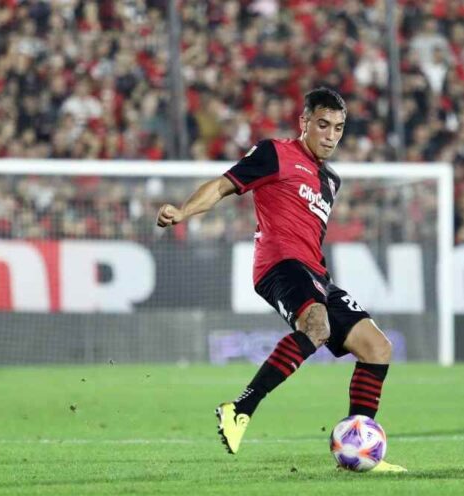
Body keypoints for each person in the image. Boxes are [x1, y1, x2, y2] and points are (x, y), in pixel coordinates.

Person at [156, 87, 406, 472]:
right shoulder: (275, 153)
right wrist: (184, 211)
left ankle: (359, 449)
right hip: (279, 264)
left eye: (339, 128)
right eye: (323, 125)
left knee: (377, 347)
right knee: (317, 326)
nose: (331, 135)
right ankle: (240, 409)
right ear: (304, 123)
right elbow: (223, 185)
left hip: (316, 273)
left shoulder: (331, 181)